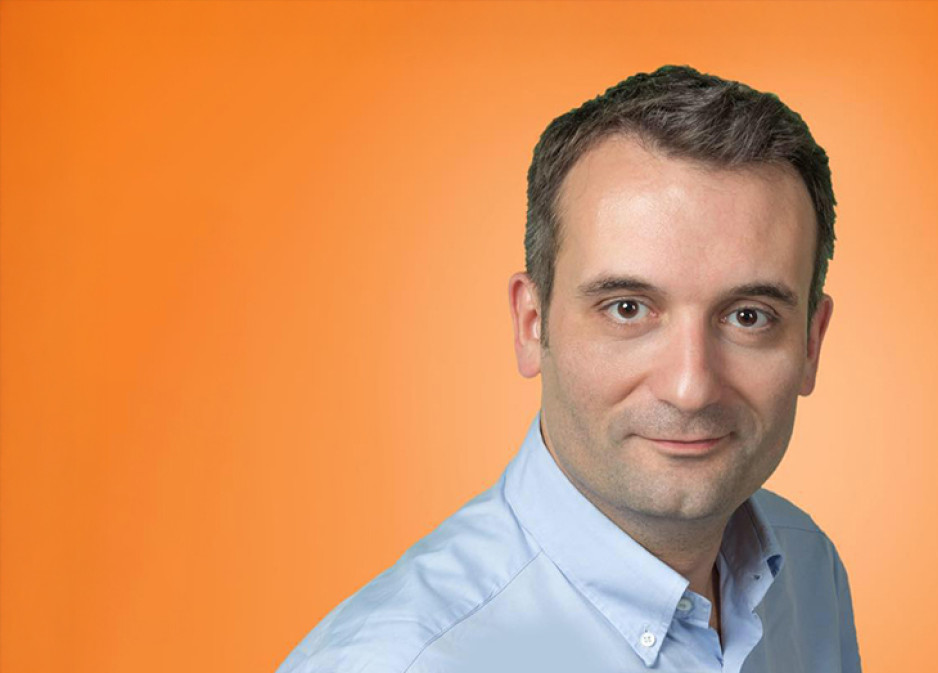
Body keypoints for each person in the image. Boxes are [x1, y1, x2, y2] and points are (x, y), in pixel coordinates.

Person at [276, 64, 858, 673]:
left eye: (748, 317)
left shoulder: (808, 572)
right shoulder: (398, 662)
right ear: (532, 323)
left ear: (811, 343)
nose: (690, 388)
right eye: (627, 308)